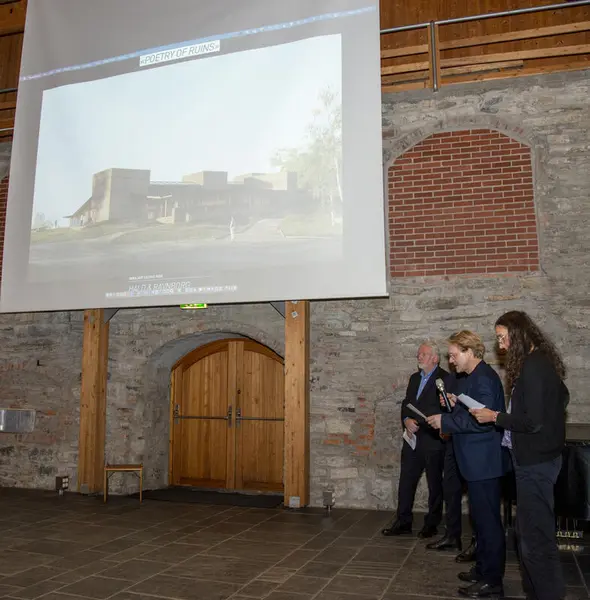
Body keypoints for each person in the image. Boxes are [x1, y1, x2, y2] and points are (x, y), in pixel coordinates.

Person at [471, 311, 568, 600]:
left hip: (535, 464)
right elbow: (562, 397)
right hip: (536, 460)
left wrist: (495, 416)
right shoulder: (540, 362)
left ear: (518, 334)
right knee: (529, 536)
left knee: (536, 541)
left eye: (502, 338)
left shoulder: (534, 367)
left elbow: (532, 421)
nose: (500, 346)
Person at [427, 330, 506, 599]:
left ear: (470, 351)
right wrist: (454, 403)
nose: (451, 361)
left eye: (453, 355)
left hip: (483, 463)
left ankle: (492, 581)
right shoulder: (474, 378)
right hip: (475, 462)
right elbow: (472, 411)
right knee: (480, 521)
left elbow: (481, 421)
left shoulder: (483, 378)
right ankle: (483, 569)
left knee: (489, 523)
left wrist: (444, 421)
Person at [382, 342, 449, 538]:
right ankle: (403, 521)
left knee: (434, 483)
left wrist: (420, 421)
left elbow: (444, 410)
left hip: (433, 440)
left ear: (435, 358)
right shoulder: (413, 378)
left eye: (424, 354)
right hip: (411, 439)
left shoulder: (445, 378)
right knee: (406, 481)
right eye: (418, 354)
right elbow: (406, 404)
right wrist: (406, 420)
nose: (419, 357)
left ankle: (431, 524)